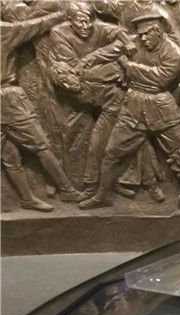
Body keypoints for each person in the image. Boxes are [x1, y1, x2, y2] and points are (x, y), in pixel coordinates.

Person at [79, 12, 180, 210]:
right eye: (140, 35)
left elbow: (160, 78)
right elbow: (108, 52)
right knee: (112, 153)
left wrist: (128, 66)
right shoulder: (134, 42)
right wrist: (85, 62)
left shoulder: (175, 54)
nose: (143, 38)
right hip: (134, 106)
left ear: (158, 31)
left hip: (162, 107)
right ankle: (102, 196)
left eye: (146, 34)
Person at [46, 2, 134, 201]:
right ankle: (75, 186)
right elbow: (73, 71)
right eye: (80, 22)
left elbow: (119, 33)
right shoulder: (59, 33)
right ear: (70, 21)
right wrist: (112, 68)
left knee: (108, 140)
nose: (85, 26)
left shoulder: (98, 27)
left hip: (106, 95)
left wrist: (120, 43)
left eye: (88, 21)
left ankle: (107, 184)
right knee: (76, 139)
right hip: (74, 95)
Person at [1, 8, 79, 212]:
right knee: (40, 146)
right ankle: (67, 190)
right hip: (7, 99)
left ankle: (28, 198)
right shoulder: (3, 31)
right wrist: (64, 13)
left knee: (9, 155)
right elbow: (36, 25)